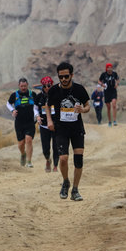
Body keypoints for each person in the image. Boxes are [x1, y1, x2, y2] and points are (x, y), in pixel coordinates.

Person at [45, 62, 90, 201]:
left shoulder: (79, 89)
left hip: (77, 129)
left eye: (66, 76)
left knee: (78, 160)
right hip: (61, 129)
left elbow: (88, 105)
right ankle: (66, 182)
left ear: (71, 75)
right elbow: (47, 105)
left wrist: (83, 110)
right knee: (63, 159)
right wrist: (49, 121)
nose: (63, 79)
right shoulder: (53, 90)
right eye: (61, 77)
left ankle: (75, 190)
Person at [7, 78, 38, 168]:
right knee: (21, 144)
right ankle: (23, 154)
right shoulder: (14, 95)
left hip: (30, 122)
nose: (23, 88)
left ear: (27, 85)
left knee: (28, 140)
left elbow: (37, 106)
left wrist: (38, 116)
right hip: (19, 123)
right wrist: (12, 110)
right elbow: (8, 104)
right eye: (21, 86)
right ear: (19, 86)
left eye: (25, 86)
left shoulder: (33, 94)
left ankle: (29, 161)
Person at [35, 76, 58, 172]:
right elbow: (35, 108)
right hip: (44, 126)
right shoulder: (39, 97)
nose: (47, 88)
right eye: (45, 86)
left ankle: (55, 165)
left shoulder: (57, 95)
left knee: (56, 146)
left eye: (49, 85)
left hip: (56, 126)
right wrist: (37, 116)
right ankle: (48, 159)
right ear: (42, 87)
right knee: (45, 148)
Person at [99, 62, 119, 127]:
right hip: (106, 92)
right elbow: (99, 81)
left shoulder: (114, 74)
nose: (110, 69)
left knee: (114, 104)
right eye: (108, 67)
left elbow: (118, 79)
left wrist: (117, 84)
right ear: (106, 68)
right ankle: (110, 121)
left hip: (113, 91)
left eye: (111, 67)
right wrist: (102, 84)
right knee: (108, 107)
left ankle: (115, 120)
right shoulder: (103, 74)